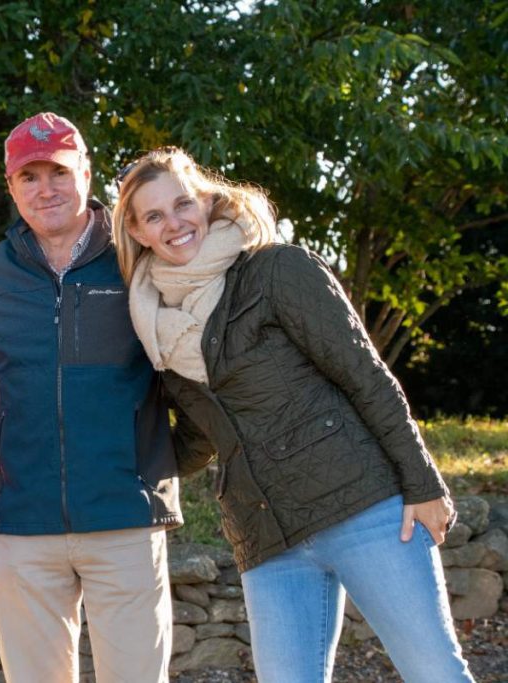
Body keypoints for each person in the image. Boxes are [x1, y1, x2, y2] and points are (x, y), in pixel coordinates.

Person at [111, 146, 475, 683]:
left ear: (206, 203)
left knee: (434, 672)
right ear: (139, 233)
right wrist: (109, 451)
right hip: (267, 537)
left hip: (364, 509)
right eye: (155, 216)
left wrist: (423, 484)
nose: (175, 224)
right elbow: (196, 443)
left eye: (182, 204)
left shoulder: (277, 269)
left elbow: (367, 376)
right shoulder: (154, 325)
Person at [0, 112, 179, 683]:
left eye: (59, 171)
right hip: (22, 526)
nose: (45, 188)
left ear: (86, 172)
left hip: (126, 516)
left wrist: (179, 457)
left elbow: (195, 352)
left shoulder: (137, 258)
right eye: (30, 176)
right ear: (11, 187)